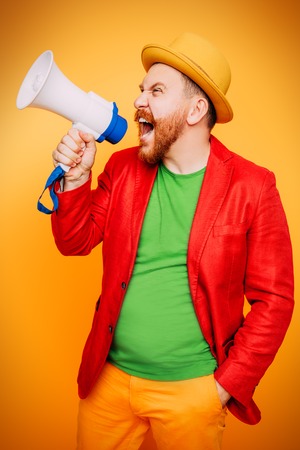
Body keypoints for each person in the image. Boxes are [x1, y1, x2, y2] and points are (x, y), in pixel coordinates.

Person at [51, 32, 294, 450]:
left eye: (156, 91)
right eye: (141, 90)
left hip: (193, 392)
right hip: (108, 385)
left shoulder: (253, 186)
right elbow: (74, 241)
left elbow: (275, 300)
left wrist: (223, 387)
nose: (139, 102)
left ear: (196, 109)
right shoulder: (123, 167)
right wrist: (75, 179)